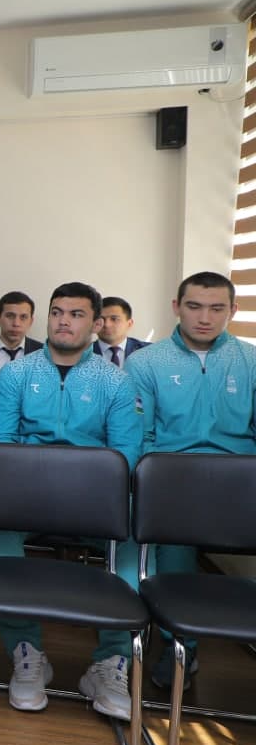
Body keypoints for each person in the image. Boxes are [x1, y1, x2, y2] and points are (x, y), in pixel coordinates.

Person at [0, 281, 140, 722]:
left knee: (132, 540)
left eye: (75, 314)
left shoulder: (115, 381)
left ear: (96, 324)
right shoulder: (16, 374)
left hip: (94, 501)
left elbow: (125, 456)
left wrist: (87, 487)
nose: (63, 322)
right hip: (26, 496)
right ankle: (26, 653)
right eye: (57, 312)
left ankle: (110, 664)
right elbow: (2, 445)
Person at [124, 271, 256, 689]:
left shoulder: (251, 361)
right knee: (172, 537)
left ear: (233, 311)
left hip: (241, 482)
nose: (204, 317)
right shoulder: (146, 362)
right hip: (174, 481)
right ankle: (182, 643)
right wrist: (160, 479)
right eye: (194, 306)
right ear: (176, 307)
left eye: (217, 308)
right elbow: (141, 436)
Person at [94, 296, 149, 368]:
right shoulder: (81, 354)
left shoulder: (149, 352)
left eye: (114, 319)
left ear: (129, 324)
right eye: (101, 319)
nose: (107, 325)